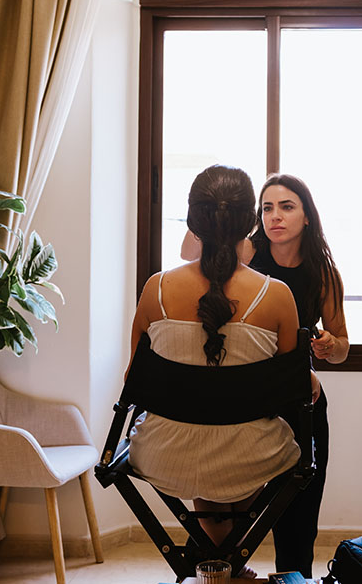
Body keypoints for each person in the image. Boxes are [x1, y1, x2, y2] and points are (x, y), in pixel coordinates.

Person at [125, 165, 309, 577]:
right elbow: (291, 390)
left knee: (208, 458)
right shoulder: (277, 296)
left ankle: (219, 564)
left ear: (193, 221)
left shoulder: (155, 289)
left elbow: (133, 379)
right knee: (237, 451)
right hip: (252, 456)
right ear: (251, 222)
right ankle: (227, 563)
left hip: (165, 454)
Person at [182, 173, 349, 577]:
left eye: (287, 207)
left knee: (299, 510)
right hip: (245, 392)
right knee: (226, 501)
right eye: (267, 208)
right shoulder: (244, 251)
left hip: (300, 396)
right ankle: (215, 567)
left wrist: (330, 346)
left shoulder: (323, 273)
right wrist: (213, 212)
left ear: (307, 216)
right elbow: (189, 251)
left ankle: (293, 574)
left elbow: (343, 346)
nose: (275, 216)